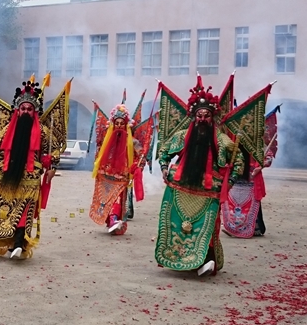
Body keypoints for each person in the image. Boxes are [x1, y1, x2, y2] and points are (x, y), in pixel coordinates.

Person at [155, 81, 244, 277]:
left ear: (213, 118)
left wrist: (230, 181)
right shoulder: (181, 136)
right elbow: (163, 150)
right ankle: (180, 257)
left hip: (209, 191)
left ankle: (207, 259)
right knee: (178, 224)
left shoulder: (222, 140)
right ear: (194, 117)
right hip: (180, 186)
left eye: (207, 116)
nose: (203, 120)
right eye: (199, 116)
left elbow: (239, 160)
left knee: (207, 226)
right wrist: (163, 167)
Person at [0, 79, 62, 260]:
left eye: (29, 109)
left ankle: (18, 242)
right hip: (6, 171)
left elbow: (54, 149)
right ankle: (11, 241)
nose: (25, 112)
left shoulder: (43, 131)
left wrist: (52, 165)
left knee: (25, 209)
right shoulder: (9, 127)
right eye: (22, 109)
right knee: (5, 208)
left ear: (34, 112)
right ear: (18, 110)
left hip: (30, 177)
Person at [89, 104, 143, 235]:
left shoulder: (133, 142)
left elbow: (141, 156)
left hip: (122, 176)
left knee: (117, 198)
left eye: (121, 123)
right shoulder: (107, 139)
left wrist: (137, 166)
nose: (119, 126)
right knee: (106, 199)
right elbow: (99, 154)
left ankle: (114, 219)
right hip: (106, 175)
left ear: (126, 125)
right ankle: (111, 220)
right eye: (116, 123)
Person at [221, 145, 273, 238]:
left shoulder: (258, 142)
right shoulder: (235, 140)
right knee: (233, 204)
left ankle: (253, 228)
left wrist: (260, 166)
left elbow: (269, 157)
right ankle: (234, 227)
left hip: (251, 177)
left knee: (250, 204)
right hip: (236, 177)